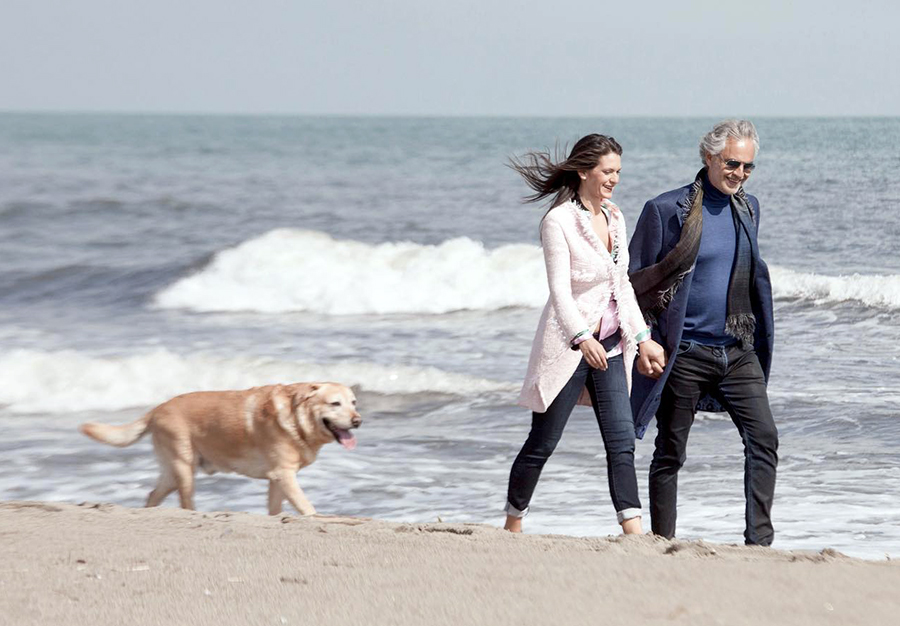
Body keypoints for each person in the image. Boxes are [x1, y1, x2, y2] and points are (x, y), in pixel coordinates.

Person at [504, 134, 666, 535]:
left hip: (610, 346)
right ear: (584, 171)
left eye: (618, 172)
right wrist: (581, 337)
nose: (614, 179)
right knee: (543, 442)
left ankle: (633, 530)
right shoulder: (558, 221)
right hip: (567, 346)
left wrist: (642, 336)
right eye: (607, 171)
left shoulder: (615, 216)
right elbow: (559, 290)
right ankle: (512, 522)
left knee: (621, 441)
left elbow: (621, 284)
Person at [628, 119, 778, 546]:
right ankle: (662, 540)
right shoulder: (665, 210)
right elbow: (635, 284)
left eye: (749, 167)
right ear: (710, 157)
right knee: (670, 452)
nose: (740, 174)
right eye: (733, 163)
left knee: (764, 439)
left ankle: (759, 544)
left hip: (737, 349)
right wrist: (647, 340)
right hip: (685, 353)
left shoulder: (749, 208)